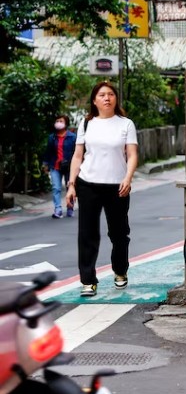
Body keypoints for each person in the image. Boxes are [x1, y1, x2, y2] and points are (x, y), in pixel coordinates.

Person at [65, 82, 139, 298]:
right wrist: (71, 184)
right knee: (87, 234)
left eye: (111, 94)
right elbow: (78, 156)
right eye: (102, 95)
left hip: (117, 185)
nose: (107, 98)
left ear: (115, 99)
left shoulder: (126, 124)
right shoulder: (86, 124)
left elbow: (132, 154)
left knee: (119, 233)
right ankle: (88, 280)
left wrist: (128, 177)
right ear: (94, 100)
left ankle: (120, 270)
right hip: (88, 184)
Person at [42, 114, 77, 219]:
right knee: (56, 188)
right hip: (55, 166)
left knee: (69, 187)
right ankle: (58, 209)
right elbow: (48, 152)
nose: (58, 123)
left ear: (66, 123)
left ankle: (70, 208)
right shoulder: (52, 137)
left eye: (61, 121)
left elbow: (77, 153)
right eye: (57, 121)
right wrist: (45, 164)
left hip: (69, 167)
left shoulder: (72, 137)